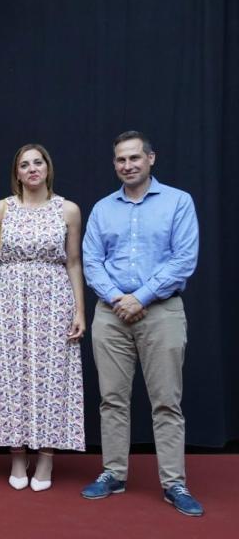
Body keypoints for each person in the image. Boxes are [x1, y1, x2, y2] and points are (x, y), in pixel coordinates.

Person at [81, 131, 203, 516]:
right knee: (112, 399)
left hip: (162, 312)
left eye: (134, 158)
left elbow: (184, 259)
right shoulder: (103, 208)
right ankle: (113, 474)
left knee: (167, 402)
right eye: (121, 160)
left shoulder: (178, 202)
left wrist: (142, 296)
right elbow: (90, 261)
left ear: (151, 158)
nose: (128, 165)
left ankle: (174, 483)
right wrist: (119, 298)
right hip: (111, 313)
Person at [0, 144, 86, 492]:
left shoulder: (67, 209)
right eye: (25, 165)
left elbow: (73, 262)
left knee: (52, 374)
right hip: (9, 297)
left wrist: (80, 310)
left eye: (38, 162)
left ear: (48, 168)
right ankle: (18, 456)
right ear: (17, 173)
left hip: (54, 299)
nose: (32, 169)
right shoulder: (1, 209)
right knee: (12, 372)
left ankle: (47, 458)